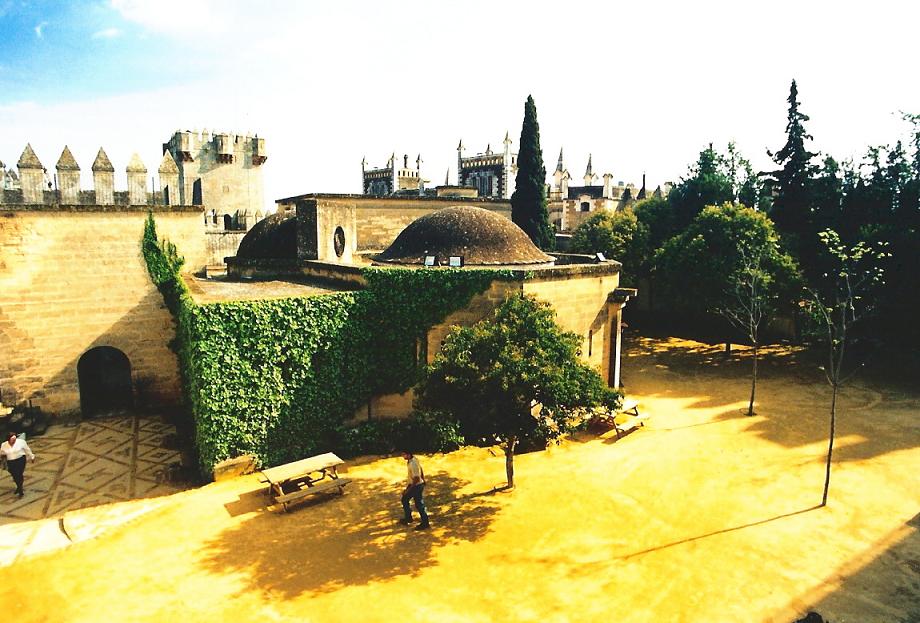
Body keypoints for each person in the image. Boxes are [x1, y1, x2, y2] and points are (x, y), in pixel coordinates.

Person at [400, 450, 430, 530]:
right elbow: (421, 469)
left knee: (408, 500)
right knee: (417, 503)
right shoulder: (413, 460)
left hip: (416, 485)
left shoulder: (412, 464)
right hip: (418, 484)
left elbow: (416, 479)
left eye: (404, 454)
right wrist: (423, 479)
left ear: (408, 454)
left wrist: (408, 490)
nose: (402, 456)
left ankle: (422, 522)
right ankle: (421, 521)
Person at [1, 433, 34, 498]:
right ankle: (19, 487)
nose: (14, 440)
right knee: (14, 475)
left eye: (15, 439)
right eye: (12, 439)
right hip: (10, 462)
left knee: (19, 474)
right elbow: (1, 453)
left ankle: (20, 490)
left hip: (20, 460)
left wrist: (32, 456)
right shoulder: (4, 445)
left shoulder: (21, 442)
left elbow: (27, 449)